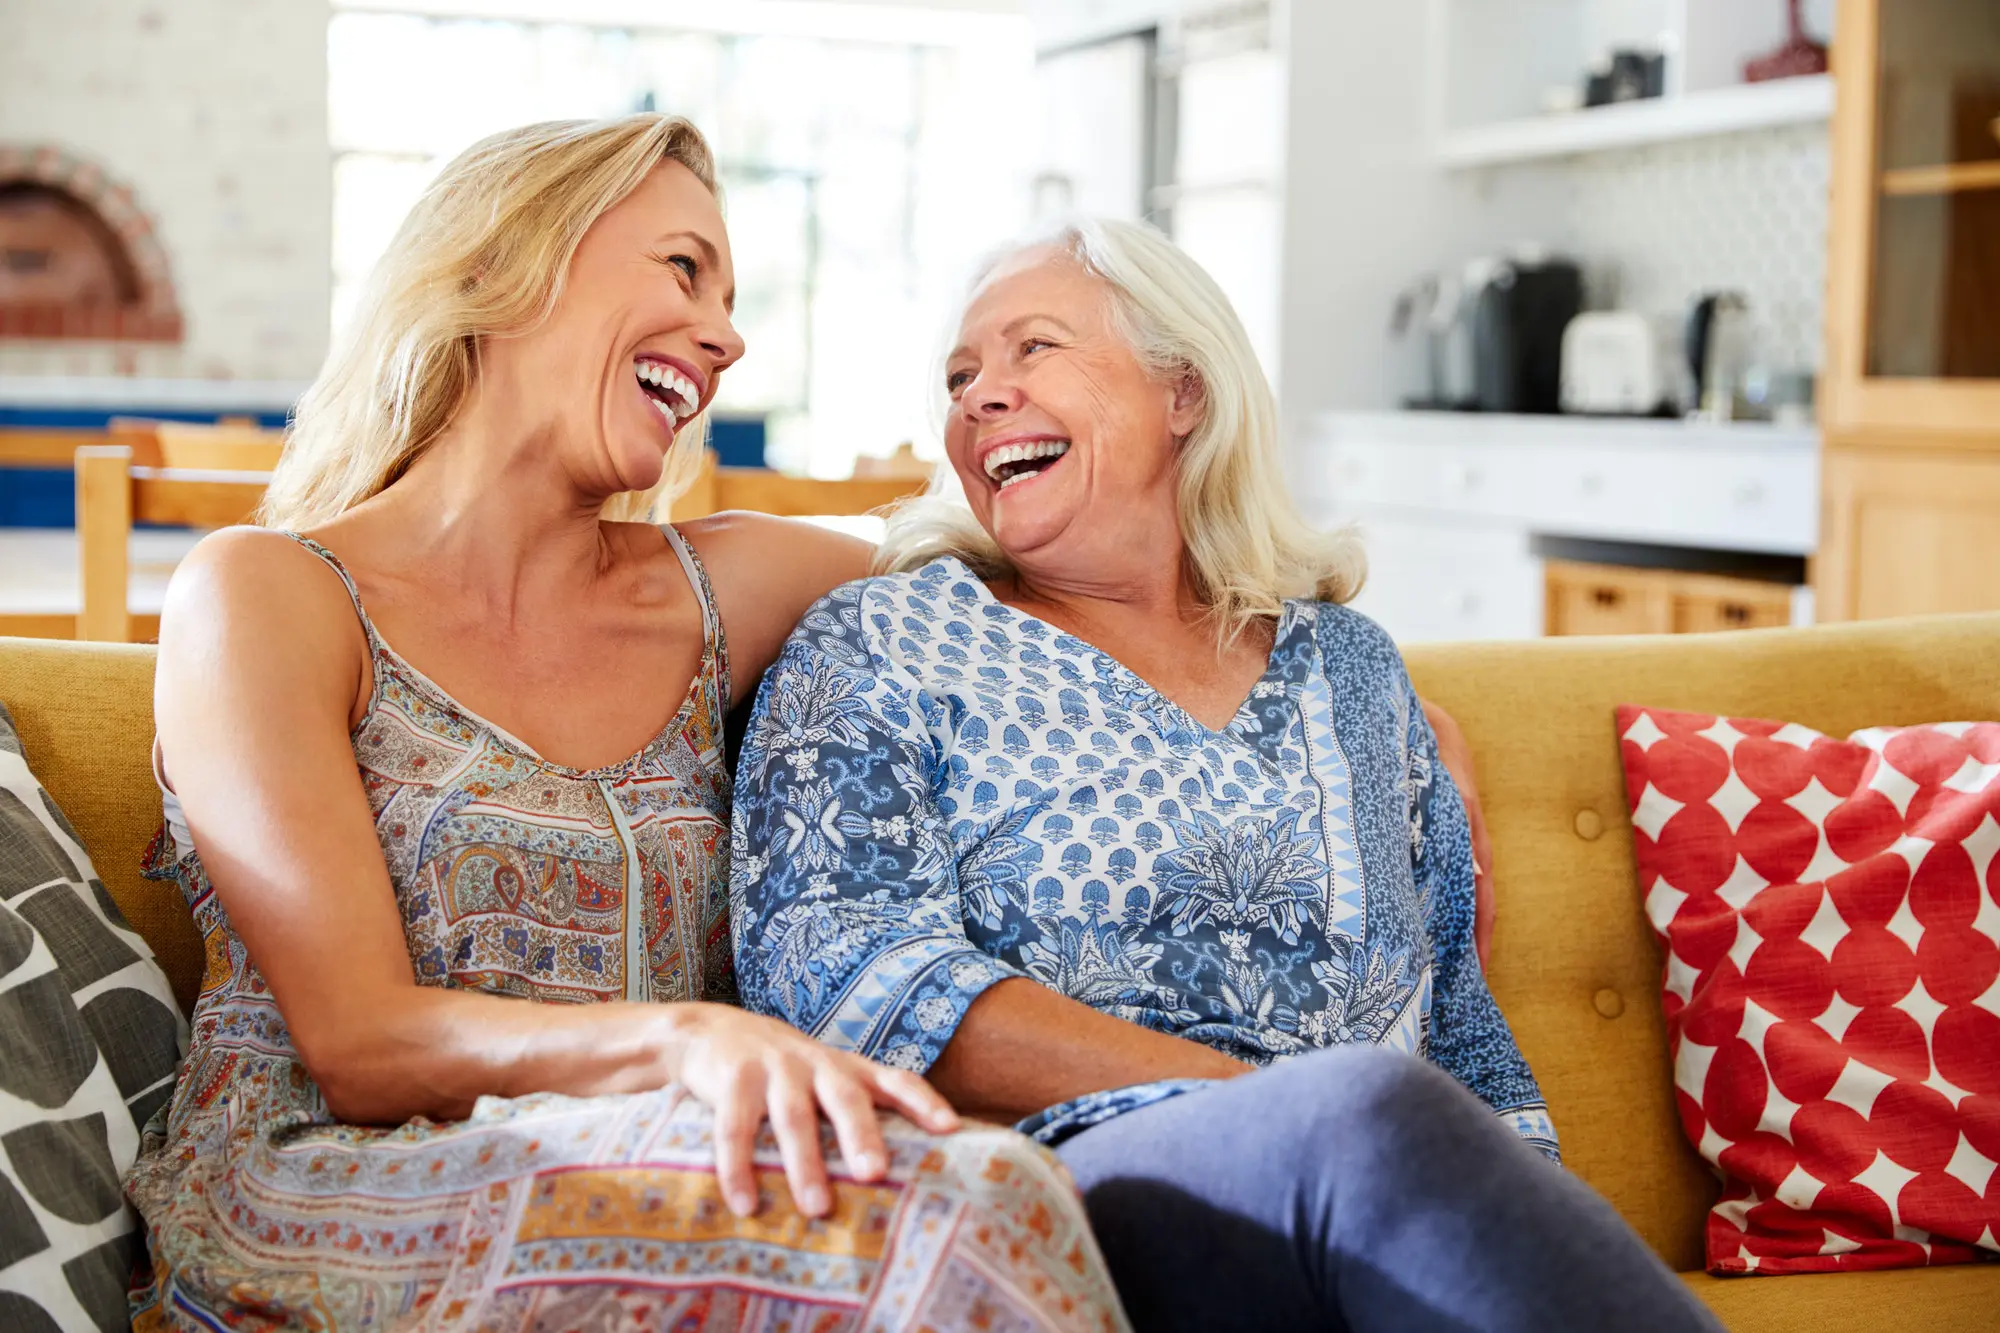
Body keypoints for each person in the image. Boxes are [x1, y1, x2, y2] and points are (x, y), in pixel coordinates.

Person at [129, 114, 1127, 1332]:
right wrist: (688, 1043)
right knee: (971, 1208)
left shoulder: (724, 592)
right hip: (319, 1195)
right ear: (505, 264)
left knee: (988, 1186)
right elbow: (361, 1041)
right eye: (681, 268)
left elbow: (1051, 580)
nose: (727, 333)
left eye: (730, 293)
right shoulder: (267, 594)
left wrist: (1367, 693)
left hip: (655, 1167)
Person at [730, 218, 1725, 1331]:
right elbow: (840, 971)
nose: (978, 395)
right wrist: (1270, 1105)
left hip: (1366, 1180)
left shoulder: (1347, 665)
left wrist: (1527, 1211)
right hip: (1066, 1187)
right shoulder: (881, 640)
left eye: (1031, 349)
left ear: (1183, 395)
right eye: (960, 374)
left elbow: (1454, 1015)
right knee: (1369, 1111)